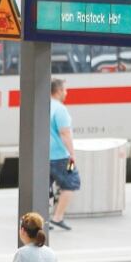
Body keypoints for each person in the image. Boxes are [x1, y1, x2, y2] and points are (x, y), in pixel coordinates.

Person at [49, 78, 78, 230]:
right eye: (65, 90)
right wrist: (72, 154)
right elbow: (65, 132)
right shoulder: (60, 109)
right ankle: (57, 217)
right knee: (71, 182)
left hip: (44, 155)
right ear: (59, 91)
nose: (66, 93)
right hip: (62, 156)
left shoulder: (43, 106)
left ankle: (44, 219)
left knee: (45, 187)